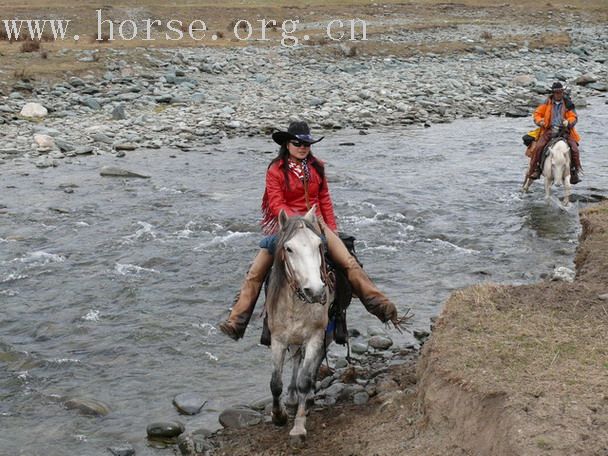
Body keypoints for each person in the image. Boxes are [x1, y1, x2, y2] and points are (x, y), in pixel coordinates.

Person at [219, 121, 402, 341]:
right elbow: (276, 202)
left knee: (349, 262)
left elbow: (324, 199)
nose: (303, 147)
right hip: (287, 225)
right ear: (287, 144)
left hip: (316, 223)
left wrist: (331, 229)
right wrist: (295, 223)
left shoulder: (317, 167)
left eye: (307, 143)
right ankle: (237, 321)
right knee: (255, 273)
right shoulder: (275, 170)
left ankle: (379, 305)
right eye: (298, 143)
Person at [527, 82, 582, 184]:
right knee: (538, 147)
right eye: (556, 92)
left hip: (564, 131)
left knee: (574, 149)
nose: (558, 94)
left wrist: (568, 122)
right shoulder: (547, 102)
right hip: (549, 130)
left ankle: (574, 171)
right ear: (553, 93)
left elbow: (574, 117)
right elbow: (537, 114)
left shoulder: (568, 103)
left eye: (560, 92)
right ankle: (536, 169)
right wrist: (540, 121)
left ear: (562, 92)